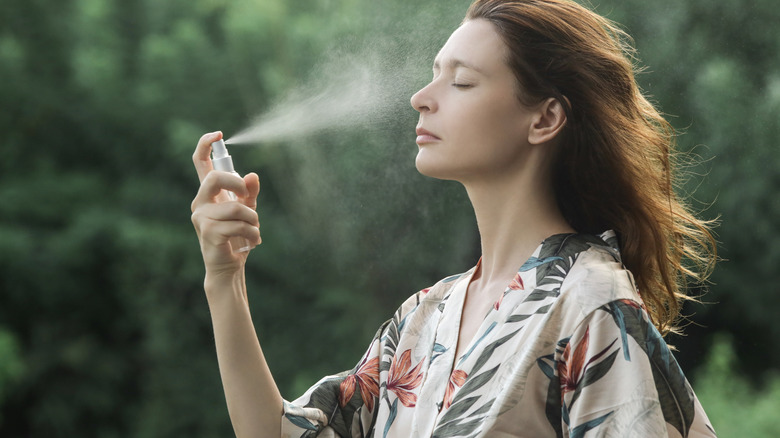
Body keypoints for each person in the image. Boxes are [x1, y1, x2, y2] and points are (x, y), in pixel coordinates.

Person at [190, 0, 718, 436]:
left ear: (545, 117)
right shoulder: (422, 319)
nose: (421, 99)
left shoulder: (590, 305)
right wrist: (224, 279)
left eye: (461, 82)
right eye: (432, 77)